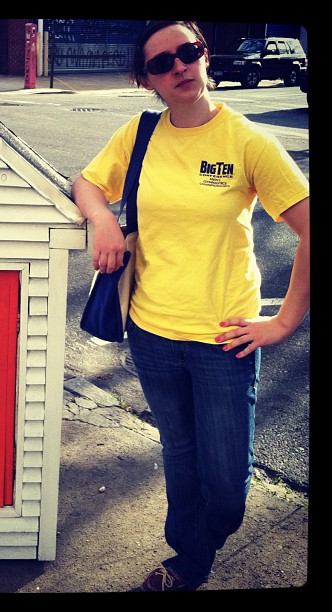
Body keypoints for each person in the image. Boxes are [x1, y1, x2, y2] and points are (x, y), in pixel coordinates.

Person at [71, 20, 309, 592]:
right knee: (179, 454)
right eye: (162, 62)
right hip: (151, 332)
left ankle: (199, 544)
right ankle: (188, 562)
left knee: (225, 482)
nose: (179, 66)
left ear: (204, 55)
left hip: (224, 339)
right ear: (146, 79)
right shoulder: (140, 134)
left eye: (189, 51)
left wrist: (283, 322)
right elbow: (87, 183)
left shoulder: (248, 141)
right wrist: (102, 218)